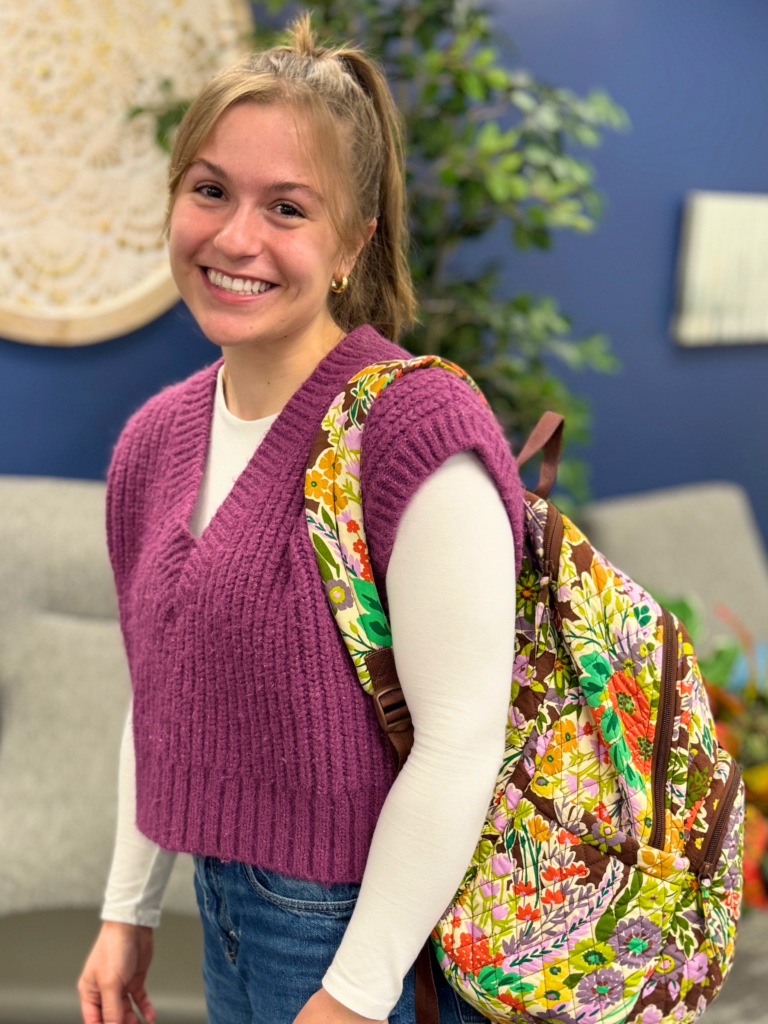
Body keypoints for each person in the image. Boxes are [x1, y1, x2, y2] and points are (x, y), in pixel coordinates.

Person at [77, 15, 524, 1024]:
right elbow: (158, 697)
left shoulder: (414, 426)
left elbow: (461, 738)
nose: (236, 238)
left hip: (369, 934)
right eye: (211, 191)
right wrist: (126, 905)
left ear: (351, 243)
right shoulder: (154, 441)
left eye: (287, 207)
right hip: (223, 905)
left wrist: (355, 996)